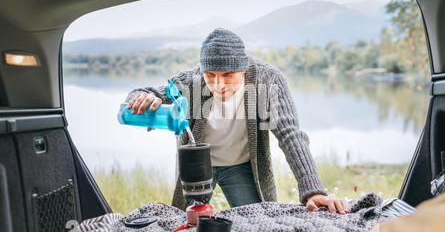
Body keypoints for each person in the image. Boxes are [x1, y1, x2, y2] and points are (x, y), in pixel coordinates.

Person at [125, 28, 348, 214]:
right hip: (197, 167)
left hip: (242, 166)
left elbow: (290, 135)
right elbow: (140, 92)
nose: (218, 84)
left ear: (243, 69)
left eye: (228, 75)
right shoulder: (190, 82)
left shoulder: (267, 81)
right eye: (210, 75)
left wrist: (313, 191)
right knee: (185, 226)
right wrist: (143, 99)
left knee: (260, 221)